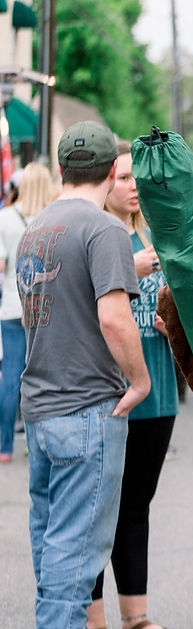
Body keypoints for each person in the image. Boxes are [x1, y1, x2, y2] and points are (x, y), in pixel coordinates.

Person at [19, 120, 150, 629]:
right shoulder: (104, 230)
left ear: (60, 169)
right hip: (87, 406)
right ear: (112, 171)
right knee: (75, 550)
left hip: (41, 407)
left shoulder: (35, 227)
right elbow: (114, 317)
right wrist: (139, 380)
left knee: (51, 543)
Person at [85, 142, 183, 629]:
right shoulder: (100, 237)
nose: (132, 187)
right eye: (123, 177)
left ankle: (135, 617)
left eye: (136, 178)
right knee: (98, 509)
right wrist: (132, 269)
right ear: (106, 182)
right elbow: (87, 313)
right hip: (114, 394)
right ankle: (92, 624)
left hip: (159, 392)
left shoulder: (153, 235)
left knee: (136, 507)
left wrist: (174, 322)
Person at [0, 163, 55, 463]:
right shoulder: (53, 218)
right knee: (43, 375)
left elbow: (2, 265)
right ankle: (37, 443)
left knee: (11, 374)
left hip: (12, 304)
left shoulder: (5, 217)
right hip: (45, 307)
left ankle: (4, 446)